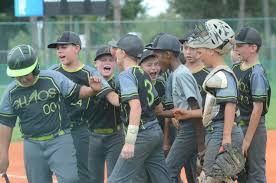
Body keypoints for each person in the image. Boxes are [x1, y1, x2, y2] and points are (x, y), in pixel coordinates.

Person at [0, 44, 101, 183]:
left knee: (70, 179)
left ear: (35, 67)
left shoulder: (52, 78)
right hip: (32, 144)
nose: (23, 79)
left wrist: (92, 90)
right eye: (18, 76)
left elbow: (76, 92)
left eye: (26, 74)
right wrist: (3, 155)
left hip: (59, 139)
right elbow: (6, 124)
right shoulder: (11, 93)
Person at [47, 31, 118, 183]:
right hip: (58, 131)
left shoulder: (89, 73)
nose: (59, 50)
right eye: (57, 48)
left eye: (64, 47)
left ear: (77, 48)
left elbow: (109, 93)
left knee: (84, 174)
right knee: (62, 173)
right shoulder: (52, 72)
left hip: (80, 130)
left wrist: (128, 101)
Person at [108, 34, 171, 183]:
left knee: (116, 180)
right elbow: (157, 105)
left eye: (117, 50)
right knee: (162, 179)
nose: (115, 52)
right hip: (155, 131)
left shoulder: (126, 75)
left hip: (141, 134)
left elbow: (135, 107)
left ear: (122, 53)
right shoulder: (143, 73)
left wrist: (129, 141)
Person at [187, 19, 244, 182]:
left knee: (210, 177)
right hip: (217, 130)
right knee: (218, 177)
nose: (198, 55)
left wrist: (226, 137)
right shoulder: (218, 73)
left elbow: (230, 105)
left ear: (212, 51)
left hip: (222, 130)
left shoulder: (222, 75)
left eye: (201, 51)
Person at [147, 33, 203, 183]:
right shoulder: (176, 73)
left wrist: (201, 146)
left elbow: (196, 109)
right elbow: (182, 110)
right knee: (193, 173)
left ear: (168, 54)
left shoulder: (181, 75)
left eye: (157, 55)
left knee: (168, 170)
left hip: (189, 130)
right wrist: (160, 113)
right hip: (187, 128)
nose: (155, 60)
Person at [233, 27, 271, 183]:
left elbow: (258, 109)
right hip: (238, 125)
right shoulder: (236, 67)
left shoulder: (256, 73)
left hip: (253, 127)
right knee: (240, 170)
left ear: (253, 48)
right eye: (236, 45)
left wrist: (247, 140)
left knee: (255, 172)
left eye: (240, 46)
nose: (236, 48)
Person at [87, 45, 124, 183]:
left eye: (110, 59)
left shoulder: (120, 83)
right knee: (93, 178)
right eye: (102, 60)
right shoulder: (89, 83)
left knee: (114, 177)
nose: (107, 62)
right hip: (92, 136)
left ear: (115, 63)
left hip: (115, 137)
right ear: (95, 63)